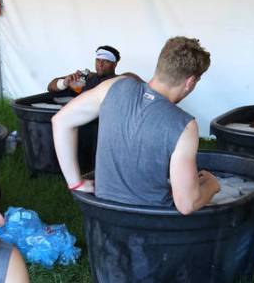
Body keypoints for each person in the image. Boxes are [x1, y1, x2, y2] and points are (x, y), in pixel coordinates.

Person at [51, 36, 219, 215]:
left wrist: (75, 182)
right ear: (190, 82)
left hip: (102, 213)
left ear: (160, 65)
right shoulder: (185, 125)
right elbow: (186, 205)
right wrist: (212, 185)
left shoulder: (113, 86)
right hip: (152, 225)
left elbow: (60, 121)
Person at [47, 45, 122, 96]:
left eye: (106, 61)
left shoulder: (121, 81)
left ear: (114, 64)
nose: (100, 64)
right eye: (98, 60)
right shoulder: (87, 76)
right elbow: (50, 87)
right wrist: (64, 83)